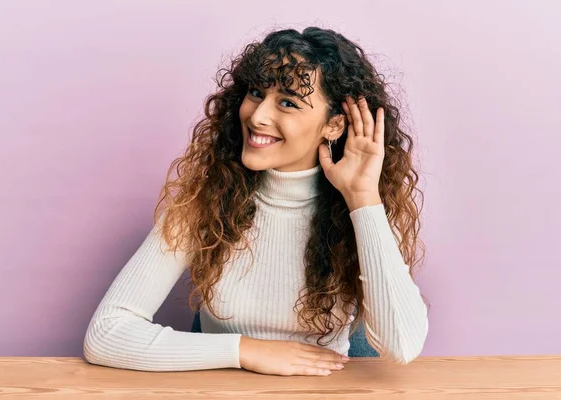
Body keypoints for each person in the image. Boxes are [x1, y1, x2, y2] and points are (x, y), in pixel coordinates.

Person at [83, 26, 429, 377]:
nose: (258, 116)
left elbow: (402, 345)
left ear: (335, 125)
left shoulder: (365, 210)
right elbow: (106, 333)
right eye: (256, 92)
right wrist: (247, 350)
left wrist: (362, 199)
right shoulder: (203, 201)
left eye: (288, 102)